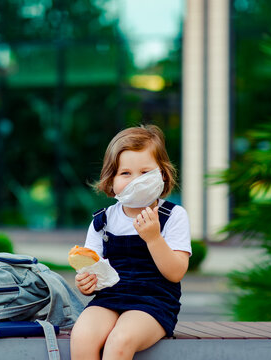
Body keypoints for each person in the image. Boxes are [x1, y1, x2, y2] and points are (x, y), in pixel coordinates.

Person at [70, 124, 192, 360]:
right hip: (110, 298)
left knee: (120, 341)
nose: (136, 180)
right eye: (126, 173)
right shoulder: (102, 221)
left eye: (146, 173)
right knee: (82, 336)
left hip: (154, 302)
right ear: (111, 179)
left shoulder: (172, 216)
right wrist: (86, 283)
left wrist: (154, 238)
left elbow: (176, 272)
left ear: (163, 175)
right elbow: (93, 271)